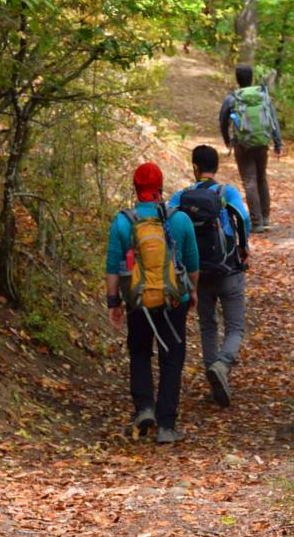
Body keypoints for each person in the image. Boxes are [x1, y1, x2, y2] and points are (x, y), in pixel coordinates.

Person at [106, 162, 199, 444]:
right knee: (172, 358)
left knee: (140, 352)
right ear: (160, 188)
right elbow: (193, 263)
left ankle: (144, 409)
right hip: (173, 300)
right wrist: (192, 291)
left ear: (135, 188)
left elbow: (113, 268)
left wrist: (114, 302)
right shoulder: (179, 219)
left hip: (138, 302)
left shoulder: (123, 221)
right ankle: (167, 425)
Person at [169, 145, 250, 408]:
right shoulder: (227, 192)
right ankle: (222, 365)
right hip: (228, 269)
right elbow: (244, 218)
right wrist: (243, 247)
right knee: (235, 326)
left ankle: (213, 374)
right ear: (216, 167)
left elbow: (167, 223)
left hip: (198, 272)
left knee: (207, 325)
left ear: (194, 167)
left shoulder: (182, 197)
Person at [219, 64, 282, 232]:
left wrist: (227, 140)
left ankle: (257, 222)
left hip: (242, 145)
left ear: (237, 79)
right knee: (261, 178)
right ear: (251, 78)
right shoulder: (262, 96)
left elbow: (223, 120)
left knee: (249, 181)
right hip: (262, 143)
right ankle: (266, 218)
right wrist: (277, 143)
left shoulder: (232, 98)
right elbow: (273, 119)